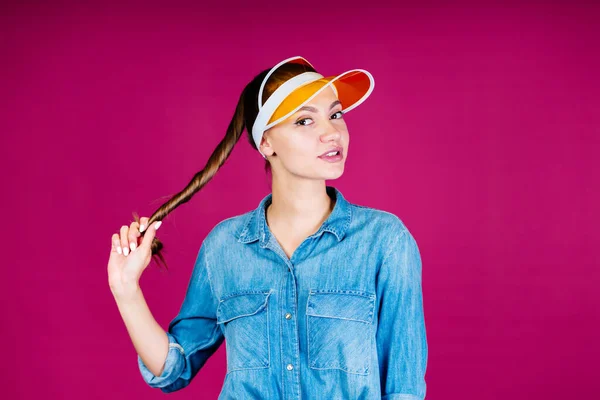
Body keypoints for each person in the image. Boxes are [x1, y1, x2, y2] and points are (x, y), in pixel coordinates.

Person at [107, 56, 428, 399]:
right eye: (305, 120)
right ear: (266, 144)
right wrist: (126, 291)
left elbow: (404, 387)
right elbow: (174, 369)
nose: (332, 132)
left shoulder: (385, 241)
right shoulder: (225, 247)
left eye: (335, 115)